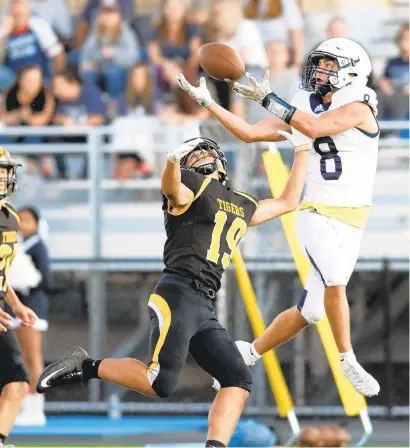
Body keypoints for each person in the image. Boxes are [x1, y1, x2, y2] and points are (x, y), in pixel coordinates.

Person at [37, 134, 310, 448]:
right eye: (192, 156)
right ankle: (83, 366)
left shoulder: (240, 202)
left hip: (204, 302)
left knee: (237, 377)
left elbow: (288, 201)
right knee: (161, 382)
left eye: (205, 153)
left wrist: (302, 149)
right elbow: (172, 189)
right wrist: (169, 162)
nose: (200, 157)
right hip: (178, 293)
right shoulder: (189, 186)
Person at [177, 37, 380, 397]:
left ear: (351, 72)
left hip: (353, 220)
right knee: (335, 280)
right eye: (320, 63)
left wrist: (268, 100)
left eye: (330, 65)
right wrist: (209, 104)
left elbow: (317, 128)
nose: (320, 71)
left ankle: (249, 350)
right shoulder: (303, 108)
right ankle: (347, 359)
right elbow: (250, 133)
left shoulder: (359, 106)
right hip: (316, 213)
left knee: (313, 311)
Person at [0, 147, 38, 447]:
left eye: (5, 169)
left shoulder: (10, 218)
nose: (3, 175)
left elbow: (2, 274)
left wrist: (16, 304)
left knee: (17, 383)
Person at [7, 207, 51, 426]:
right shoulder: (21, 246)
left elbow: (45, 280)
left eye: (27, 220)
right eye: (19, 220)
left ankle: (36, 407)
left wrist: (26, 283)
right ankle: (25, 405)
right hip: (19, 307)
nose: (23, 225)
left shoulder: (37, 247)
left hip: (32, 307)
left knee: (32, 357)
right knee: (22, 358)